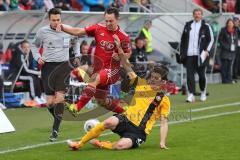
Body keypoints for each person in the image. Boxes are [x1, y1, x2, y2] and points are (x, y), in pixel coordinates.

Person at [67, 53, 170, 150]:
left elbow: (164, 123)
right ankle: (79, 143)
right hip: (125, 119)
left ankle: (101, 144)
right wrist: (120, 51)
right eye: (152, 77)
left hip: (139, 132)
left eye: (156, 78)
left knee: (120, 145)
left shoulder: (164, 100)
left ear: (163, 81)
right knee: (109, 122)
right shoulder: (141, 84)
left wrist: (162, 142)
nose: (152, 80)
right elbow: (127, 67)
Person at [57, 7, 131, 114]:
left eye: (111, 21)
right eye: (106, 20)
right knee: (102, 101)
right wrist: (62, 27)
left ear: (117, 19)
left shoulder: (123, 36)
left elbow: (127, 55)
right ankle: (125, 112)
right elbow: (78, 31)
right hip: (98, 69)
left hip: (112, 70)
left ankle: (77, 107)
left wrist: (119, 51)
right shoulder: (98, 28)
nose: (108, 23)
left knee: (94, 79)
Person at [31, 8, 76, 142]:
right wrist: (38, 57)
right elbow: (34, 46)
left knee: (59, 99)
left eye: (58, 20)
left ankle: (55, 131)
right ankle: (59, 116)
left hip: (63, 66)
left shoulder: (67, 30)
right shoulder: (42, 31)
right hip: (48, 67)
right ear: (49, 19)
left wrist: (77, 55)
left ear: (61, 19)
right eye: (53, 20)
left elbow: (77, 40)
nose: (56, 22)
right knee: (49, 103)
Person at [180, 8, 214, 102]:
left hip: (201, 56)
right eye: (195, 14)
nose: (197, 15)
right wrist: (182, 53)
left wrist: (207, 50)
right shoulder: (188, 25)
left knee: (202, 76)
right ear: (193, 15)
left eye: (199, 14)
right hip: (189, 55)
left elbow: (211, 40)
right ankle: (191, 94)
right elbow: (182, 40)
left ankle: (203, 92)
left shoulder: (206, 26)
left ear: (201, 15)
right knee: (189, 76)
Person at [219, 18, 239, 84]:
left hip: (232, 51)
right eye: (229, 23)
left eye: (231, 23)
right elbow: (220, 40)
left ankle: (229, 79)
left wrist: (235, 46)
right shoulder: (223, 30)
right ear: (227, 24)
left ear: (233, 24)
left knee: (230, 66)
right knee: (224, 66)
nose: (230, 24)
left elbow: (236, 40)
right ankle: (224, 80)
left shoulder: (235, 30)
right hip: (225, 51)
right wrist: (226, 47)